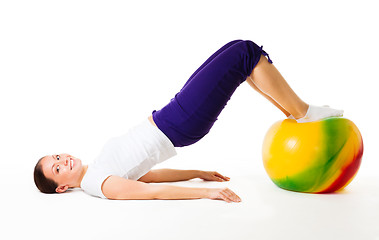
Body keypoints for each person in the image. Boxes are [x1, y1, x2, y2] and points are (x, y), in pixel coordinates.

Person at [33, 40, 343, 203]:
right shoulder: (98, 185)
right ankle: (303, 113)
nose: (64, 160)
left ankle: (294, 112)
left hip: (172, 115)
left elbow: (148, 177)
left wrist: (198, 173)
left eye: (58, 156)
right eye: (57, 167)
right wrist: (206, 193)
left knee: (242, 52)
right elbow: (150, 193)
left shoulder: (96, 168)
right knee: (245, 53)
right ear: (61, 187)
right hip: (180, 123)